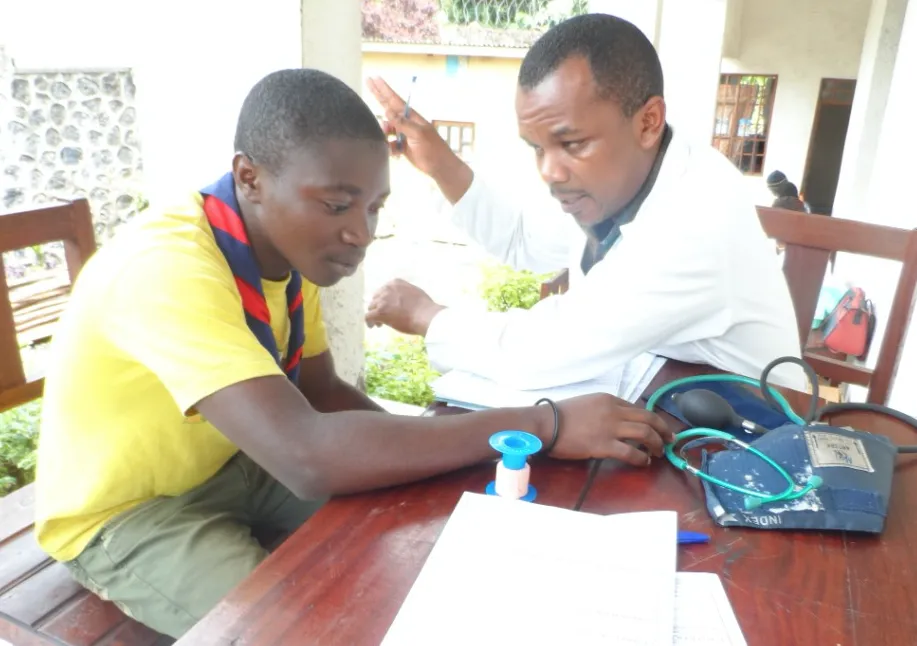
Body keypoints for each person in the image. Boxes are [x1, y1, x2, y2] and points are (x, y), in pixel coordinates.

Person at [34, 68, 672, 638]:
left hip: (238, 461)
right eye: (338, 204)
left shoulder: (278, 254)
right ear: (249, 178)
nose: (360, 233)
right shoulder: (167, 269)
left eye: (374, 207)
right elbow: (309, 456)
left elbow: (323, 394)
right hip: (128, 514)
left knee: (423, 525)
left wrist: (433, 461)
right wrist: (541, 423)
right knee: (294, 626)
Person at [365, 13, 804, 390]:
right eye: (537, 147)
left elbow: (547, 350)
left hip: (750, 440)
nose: (549, 172)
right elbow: (523, 239)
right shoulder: (622, 180)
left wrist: (427, 315)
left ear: (648, 121)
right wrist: (441, 164)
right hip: (670, 398)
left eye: (571, 143)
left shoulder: (695, 219)